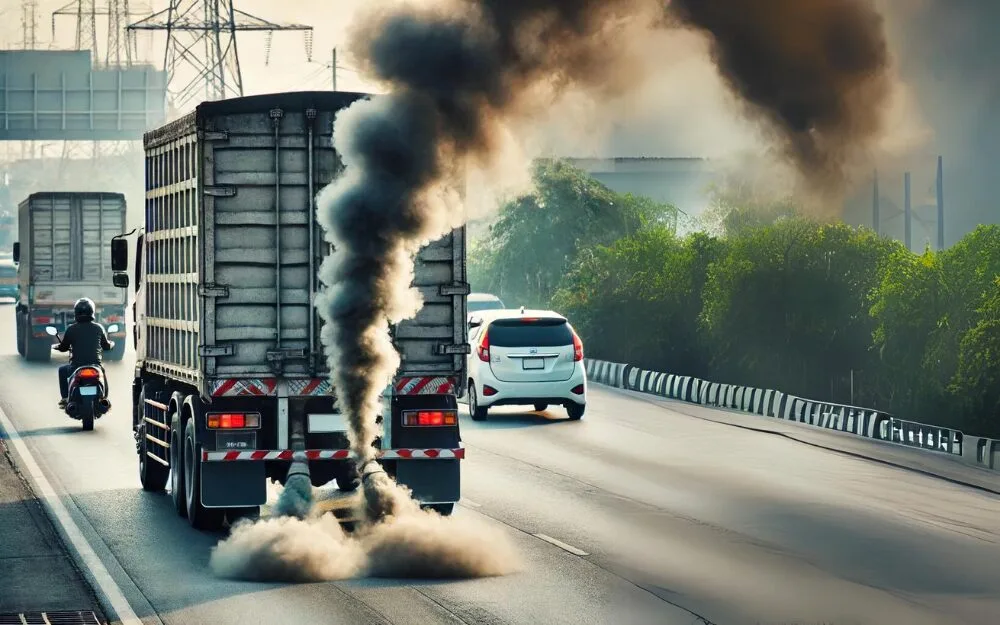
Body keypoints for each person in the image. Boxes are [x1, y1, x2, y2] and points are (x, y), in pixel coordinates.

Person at [54, 297, 112, 409]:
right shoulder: (98, 328)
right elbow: (106, 346)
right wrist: (111, 344)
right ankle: (104, 398)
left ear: (76, 312)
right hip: (95, 365)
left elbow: (64, 347)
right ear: (92, 311)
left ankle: (65, 398)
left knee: (62, 370)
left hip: (76, 366)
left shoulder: (71, 329)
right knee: (103, 373)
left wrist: (58, 347)